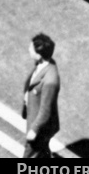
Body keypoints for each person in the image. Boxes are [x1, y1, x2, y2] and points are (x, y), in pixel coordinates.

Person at [21, 33, 60, 161]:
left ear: (39, 55)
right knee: (41, 151)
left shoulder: (50, 81)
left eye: (31, 48)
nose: (28, 50)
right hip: (35, 118)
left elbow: (45, 110)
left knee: (30, 154)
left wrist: (34, 130)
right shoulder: (42, 64)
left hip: (40, 126)